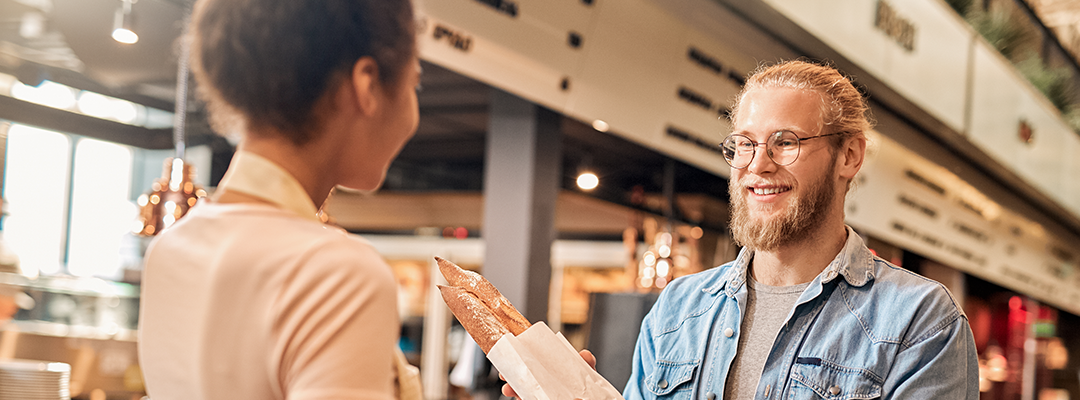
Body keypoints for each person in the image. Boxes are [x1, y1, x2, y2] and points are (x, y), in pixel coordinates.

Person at [620, 60, 980, 399]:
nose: (758, 165)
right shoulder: (678, 308)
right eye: (745, 144)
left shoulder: (920, 322)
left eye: (786, 142)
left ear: (849, 156)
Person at [137, 0, 422, 399]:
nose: (414, 111)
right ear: (368, 85)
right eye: (415, 82)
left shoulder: (170, 248)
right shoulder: (338, 275)